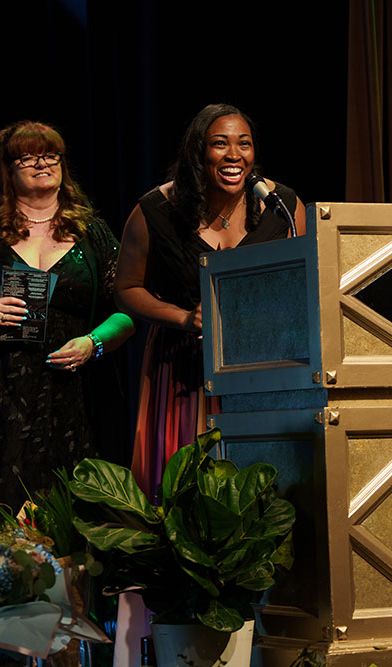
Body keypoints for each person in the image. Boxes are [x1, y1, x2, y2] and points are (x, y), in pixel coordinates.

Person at [111, 103, 306, 666]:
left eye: (244, 143)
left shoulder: (282, 205)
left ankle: (271, 636)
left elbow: (312, 272)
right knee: (183, 496)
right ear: (199, 151)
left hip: (262, 370)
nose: (234, 155)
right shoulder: (157, 209)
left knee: (260, 497)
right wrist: (183, 317)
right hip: (183, 372)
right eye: (221, 143)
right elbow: (127, 288)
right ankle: (178, 639)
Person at [0, 120, 134, 530]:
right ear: (7, 168)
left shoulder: (91, 231)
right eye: (29, 156)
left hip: (74, 393)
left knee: (73, 514)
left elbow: (127, 309)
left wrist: (93, 342)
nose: (43, 163)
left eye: (51, 154)